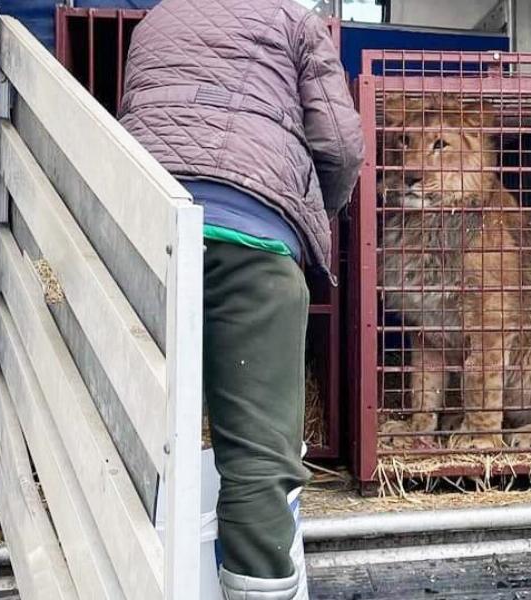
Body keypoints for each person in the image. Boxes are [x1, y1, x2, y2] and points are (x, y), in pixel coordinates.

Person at [119, 1, 362, 598]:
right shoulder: (294, 21)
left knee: (131, 438)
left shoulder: (154, 21)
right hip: (251, 240)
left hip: (142, 232)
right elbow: (341, 143)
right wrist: (306, 218)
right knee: (257, 455)